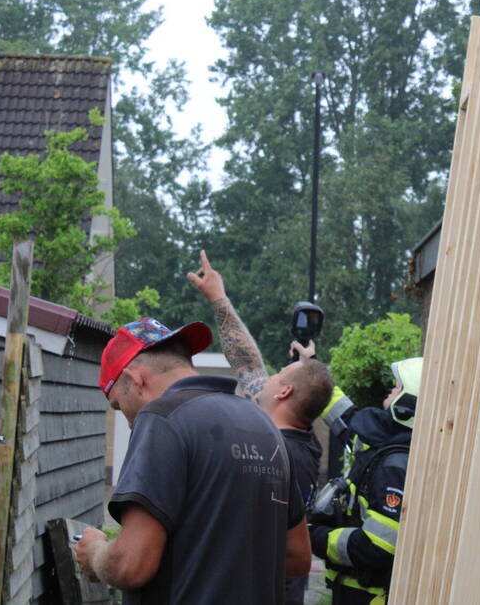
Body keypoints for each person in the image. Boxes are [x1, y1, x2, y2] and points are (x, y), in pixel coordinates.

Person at [73, 317, 311, 604]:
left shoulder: (161, 418)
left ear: (136, 379)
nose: (127, 421)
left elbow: (130, 566)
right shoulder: (263, 424)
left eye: (118, 404)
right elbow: (297, 557)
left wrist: (96, 553)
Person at [188, 250, 333, 604]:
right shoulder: (301, 441)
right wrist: (218, 299)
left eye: (278, 375)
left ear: (283, 391)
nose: (267, 377)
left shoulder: (272, 453)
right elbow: (249, 365)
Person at [310, 356, 422, 604]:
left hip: (368, 596)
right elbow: (346, 420)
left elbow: (377, 546)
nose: (392, 389)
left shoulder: (395, 466)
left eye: (399, 387)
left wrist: (316, 537)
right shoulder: (386, 440)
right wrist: (311, 365)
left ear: (408, 404)